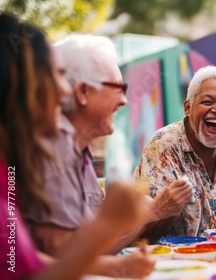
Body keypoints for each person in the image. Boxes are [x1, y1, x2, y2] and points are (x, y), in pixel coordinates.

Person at [0, 13, 148, 280]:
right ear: (19, 83)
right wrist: (119, 220)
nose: (64, 89)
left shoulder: (7, 171)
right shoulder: (47, 151)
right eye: (54, 75)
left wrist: (116, 267)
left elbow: (27, 263)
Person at [25, 34, 193, 259]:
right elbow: (63, 255)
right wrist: (152, 211)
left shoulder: (80, 151)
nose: (124, 100)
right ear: (83, 92)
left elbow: (96, 246)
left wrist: (145, 214)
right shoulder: (54, 147)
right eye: (117, 87)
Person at [134, 65, 216, 239]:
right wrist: (168, 208)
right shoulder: (164, 144)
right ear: (188, 108)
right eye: (207, 101)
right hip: (168, 260)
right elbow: (145, 231)